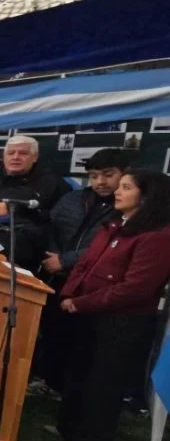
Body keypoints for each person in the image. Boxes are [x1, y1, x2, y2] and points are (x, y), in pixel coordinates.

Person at [55, 171, 170, 441]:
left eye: (126, 187)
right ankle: (70, 428)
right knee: (79, 372)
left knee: (103, 382)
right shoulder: (116, 225)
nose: (118, 192)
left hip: (122, 321)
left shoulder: (158, 236)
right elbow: (85, 264)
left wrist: (82, 303)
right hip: (88, 312)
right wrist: (70, 294)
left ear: (147, 196)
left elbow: (135, 288)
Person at [34, 148, 129, 393]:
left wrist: (65, 260)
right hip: (58, 277)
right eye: (94, 175)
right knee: (55, 332)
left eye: (108, 175)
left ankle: (72, 389)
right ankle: (49, 381)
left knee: (84, 341)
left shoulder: (128, 206)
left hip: (94, 284)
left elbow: (106, 246)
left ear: (125, 174)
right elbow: (51, 227)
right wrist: (52, 257)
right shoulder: (73, 199)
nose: (100, 182)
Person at [0, 134, 70, 272]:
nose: (15, 157)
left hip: (27, 263)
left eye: (23, 153)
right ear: (4, 156)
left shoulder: (53, 184)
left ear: (35, 157)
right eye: (11, 153)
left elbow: (62, 226)